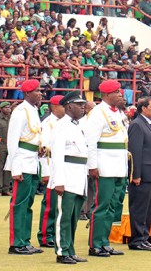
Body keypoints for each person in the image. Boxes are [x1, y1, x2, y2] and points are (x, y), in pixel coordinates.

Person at [84, 80, 126, 257]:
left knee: (112, 206)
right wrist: (92, 166)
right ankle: (95, 244)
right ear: (107, 95)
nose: (120, 94)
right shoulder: (98, 113)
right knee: (101, 206)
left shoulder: (117, 113)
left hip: (118, 166)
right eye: (116, 92)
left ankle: (105, 241)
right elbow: (91, 142)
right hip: (105, 166)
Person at [6, 79, 45, 255]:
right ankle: (16, 243)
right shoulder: (20, 111)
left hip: (32, 160)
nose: (40, 93)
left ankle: (25, 240)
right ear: (27, 93)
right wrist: (15, 168)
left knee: (28, 203)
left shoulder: (34, 110)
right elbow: (12, 141)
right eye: (37, 91)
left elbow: (33, 136)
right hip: (21, 161)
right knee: (19, 204)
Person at [51, 91, 89, 265]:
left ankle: (70, 250)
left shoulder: (77, 125)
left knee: (73, 218)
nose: (83, 108)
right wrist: (58, 181)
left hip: (79, 177)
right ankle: (62, 251)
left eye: (83, 105)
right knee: (63, 217)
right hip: (66, 177)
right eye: (79, 105)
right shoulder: (61, 126)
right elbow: (57, 155)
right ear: (69, 107)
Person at [127, 96, 151, 251]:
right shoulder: (137, 125)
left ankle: (144, 237)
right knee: (140, 208)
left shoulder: (150, 124)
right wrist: (136, 174)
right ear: (144, 108)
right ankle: (136, 239)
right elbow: (135, 151)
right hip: (143, 173)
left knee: (148, 208)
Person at [37, 95, 65, 248]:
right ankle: (45, 236)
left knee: (60, 205)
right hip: (51, 166)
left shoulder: (65, 123)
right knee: (50, 204)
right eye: (63, 106)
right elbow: (43, 149)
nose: (65, 109)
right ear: (54, 107)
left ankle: (53, 233)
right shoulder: (48, 124)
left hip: (62, 167)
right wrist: (45, 171)